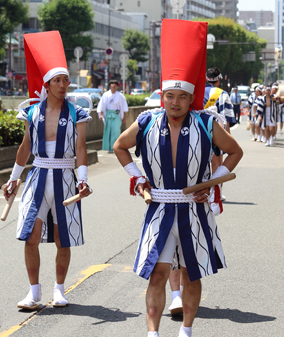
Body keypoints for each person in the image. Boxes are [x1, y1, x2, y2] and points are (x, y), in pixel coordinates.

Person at [113, 19, 243, 337]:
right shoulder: (146, 122)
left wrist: (212, 184)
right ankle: (153, 333)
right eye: (169, 96)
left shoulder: (205, 123)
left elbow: (236, 153)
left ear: (190, 99)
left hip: (194, 208)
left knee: (191, 275)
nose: (175, 102)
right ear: (163, 97)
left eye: (181, 97)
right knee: (157, 275)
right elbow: (119, 146)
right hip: (159, 206)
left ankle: (185, 331)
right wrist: (137, 177)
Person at [4, 31, 92, 310]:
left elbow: (80, 149)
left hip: (66, 176)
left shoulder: (77, 113)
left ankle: (60, 289)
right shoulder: (32, 112)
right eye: (58, 80)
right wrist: (13, 179)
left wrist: (83, 180)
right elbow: (25, 148)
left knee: (61, 237)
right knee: (30, 235)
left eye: (66, 80)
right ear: (47, 84)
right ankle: (34, 292)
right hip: (38, 174)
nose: (64, 84)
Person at [98, 80, 128, 153]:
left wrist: (124, 117)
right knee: (108, 131)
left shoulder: (120, 95)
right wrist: (101, 114)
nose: (113, 86)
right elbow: (102, 105)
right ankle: (109, 148)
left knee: (116, 131)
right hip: (108, 114)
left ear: (117, 86)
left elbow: (123, 107)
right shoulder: (105, 95)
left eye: (115, 84)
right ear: (110, 86)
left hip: (117, 115)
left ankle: (116, 147)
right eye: (112, 84)